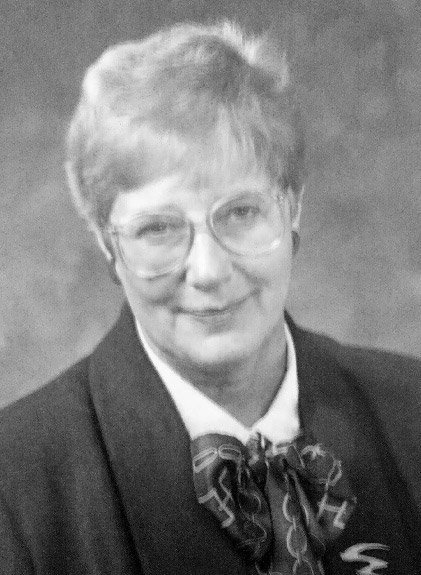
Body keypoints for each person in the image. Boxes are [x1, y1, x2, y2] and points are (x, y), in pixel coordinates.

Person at [0, 21, 420, 575]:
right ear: (107, 244)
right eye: (158, 229)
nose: (209, 271)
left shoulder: (413, 411)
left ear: (292, 209)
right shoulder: (16, 487)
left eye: (241, 213)